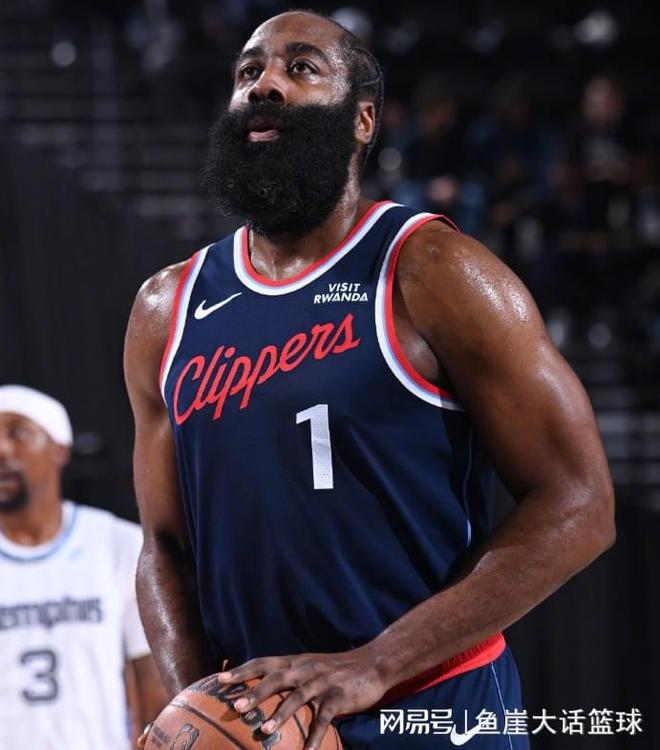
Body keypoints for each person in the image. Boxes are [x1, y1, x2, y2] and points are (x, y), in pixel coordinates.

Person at [124, 10, 615, 750]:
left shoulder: (432, 271)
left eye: (301, 68)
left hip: (435, 709)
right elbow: (164, 547)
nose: (265, 85)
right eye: (249, 71)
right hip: (269, 720)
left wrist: (372, 665)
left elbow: (581, 504)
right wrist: (198, 711)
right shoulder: (168, 309)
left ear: (362, 121)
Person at [0, 384, 166, 748]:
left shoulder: (119, 544)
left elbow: (153, 689)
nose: (2, 449)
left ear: (60, 448)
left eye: (18, 433)